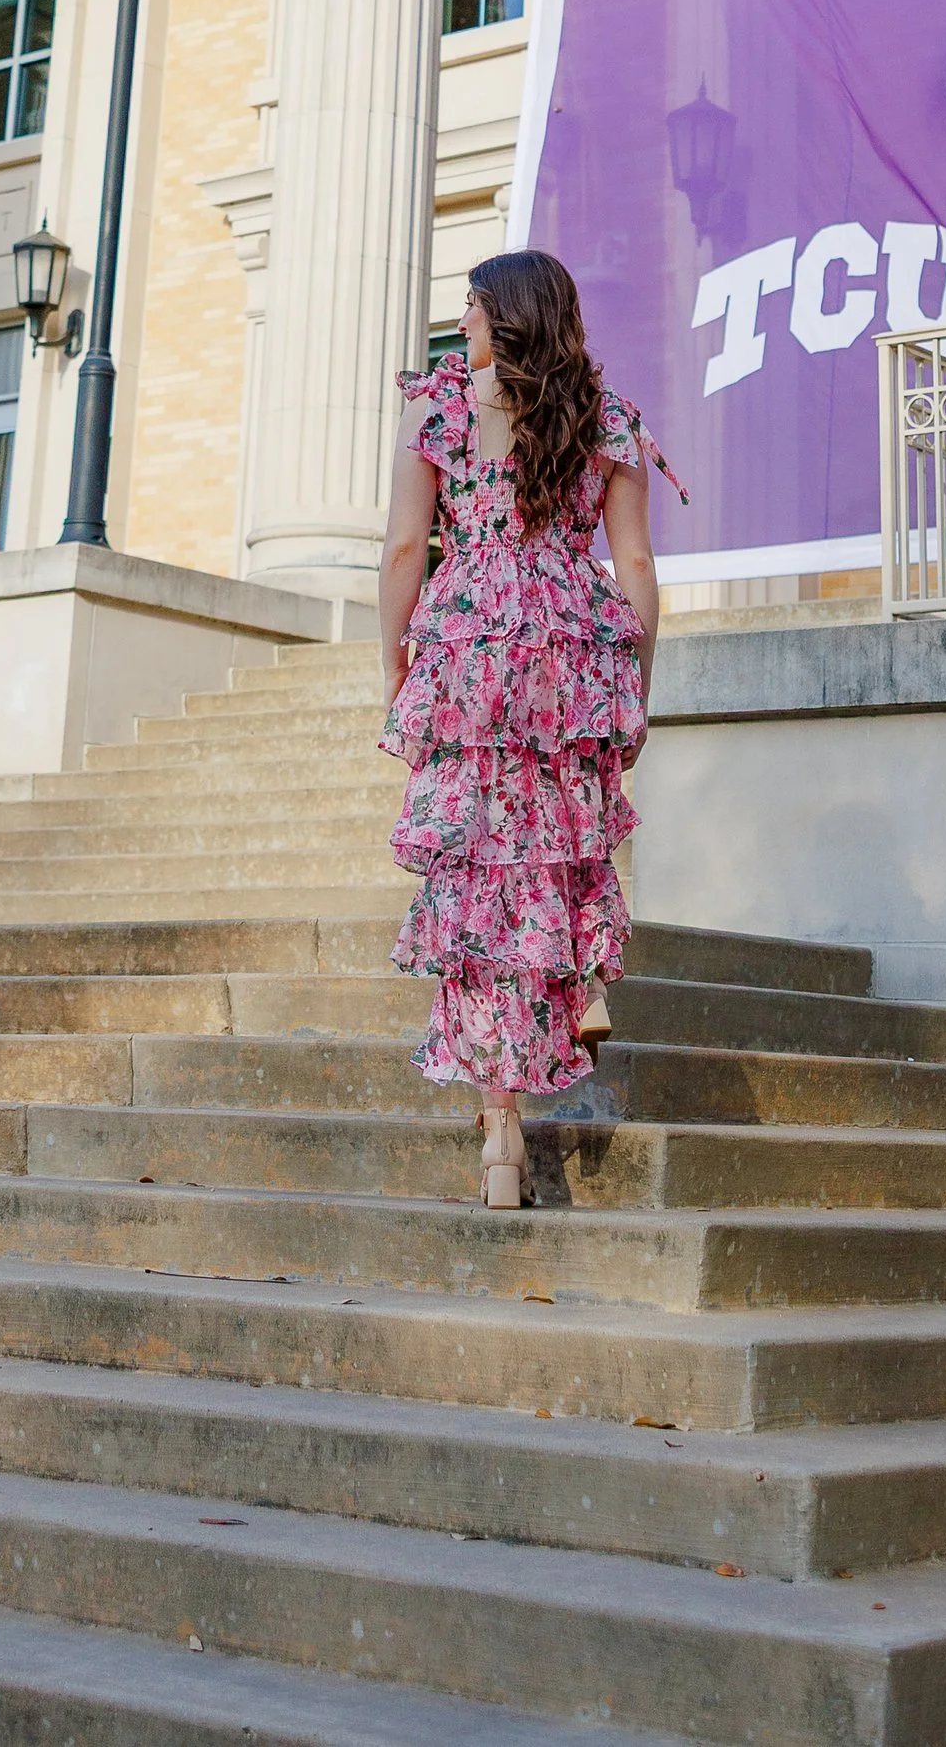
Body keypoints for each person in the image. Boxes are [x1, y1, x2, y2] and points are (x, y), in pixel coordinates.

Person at [378, 249, 670, 1210]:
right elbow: (634, 564)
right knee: (561, 846)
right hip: (570, 648)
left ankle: (500, 1126)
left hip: (471, 648)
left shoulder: (441, 411)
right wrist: (634, 687)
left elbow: (404, 548)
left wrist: (395, 661)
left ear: (505, 314)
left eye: (470, 305)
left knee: (478, 874)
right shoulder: (606, 415)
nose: (460, 322)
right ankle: (580, 984)